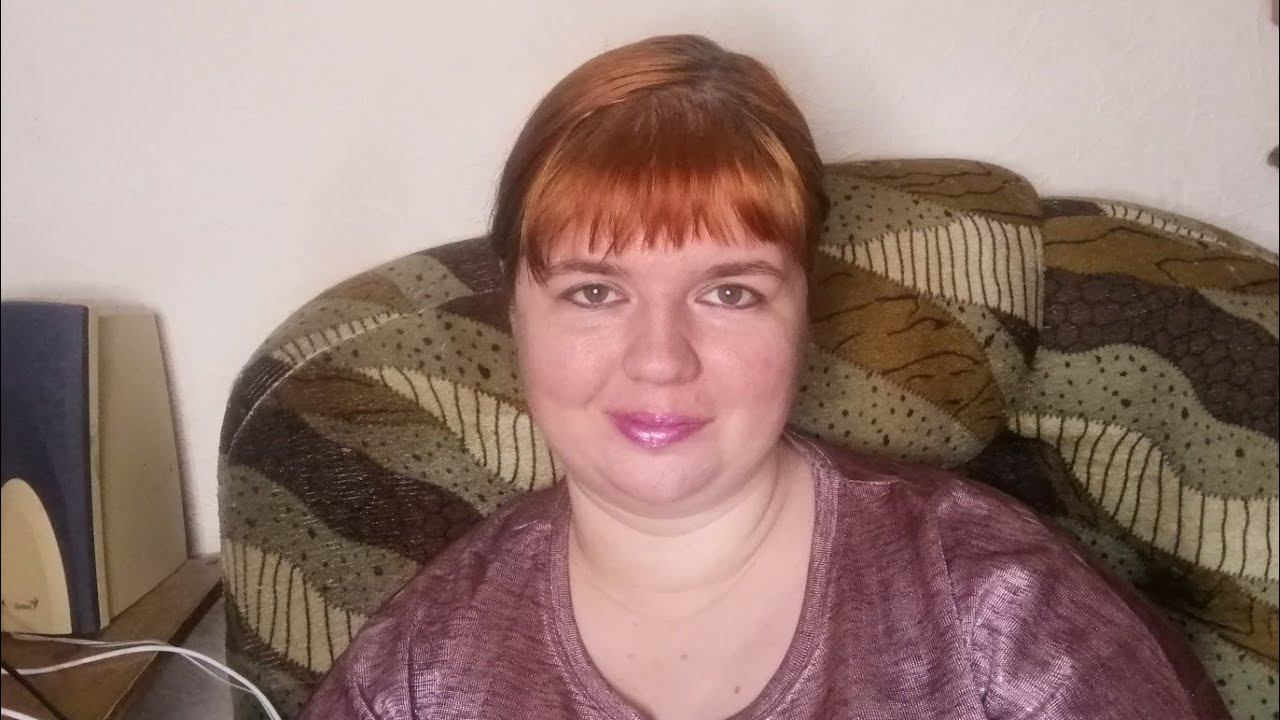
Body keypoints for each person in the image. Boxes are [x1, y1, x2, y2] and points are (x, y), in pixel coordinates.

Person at [297, 34, 1228, 719]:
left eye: (730, 292)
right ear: (515, 315)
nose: (660, 359)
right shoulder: (414, 674)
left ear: (803, 313)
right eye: (594, 292)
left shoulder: (1004, 607)